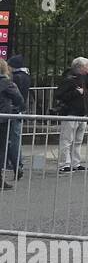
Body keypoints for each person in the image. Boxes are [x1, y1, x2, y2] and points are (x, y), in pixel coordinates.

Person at [55, 56, 88, 173]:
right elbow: (59, 95)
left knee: (78, 140)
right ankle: (64, 164)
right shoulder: (69, 79)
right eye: (86, 66)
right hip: (70, 112)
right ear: (80, 67)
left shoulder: (84, 78)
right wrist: (75, 92)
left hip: (81, 112)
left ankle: (76, 162)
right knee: (67, 140)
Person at [0, 60, 24, 190]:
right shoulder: (7, 83)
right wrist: (16, 109)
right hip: (3, 120)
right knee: (3, 148)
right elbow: (19, 99)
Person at [5, 54, 29, 182]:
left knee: (11, 140)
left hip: (11, 112)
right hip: (17, 111)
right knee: (15, 139)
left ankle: (15, 164)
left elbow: (16, 96)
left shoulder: (14, 79)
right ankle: (17, 164)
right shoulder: (25, 76)